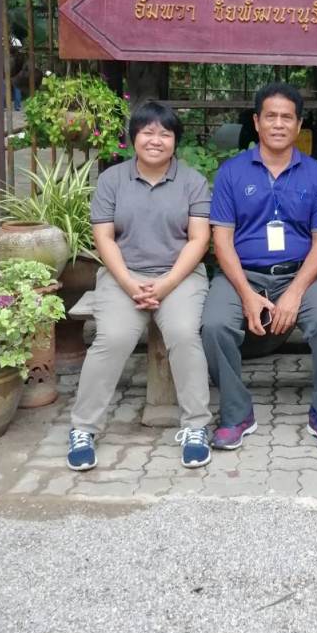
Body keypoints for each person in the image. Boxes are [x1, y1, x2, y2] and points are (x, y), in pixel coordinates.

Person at [67, 100, 213, 472]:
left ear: (175, 141)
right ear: (133, 137)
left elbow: (198, 240)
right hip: (123, 276)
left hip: (179, 277)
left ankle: (196, 427)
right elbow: (104, 239)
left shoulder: (192, 182)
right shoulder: (112, 180)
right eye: (147, 132)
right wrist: (130, 283)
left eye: (165, 134)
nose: (156, 140)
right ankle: (83, 428)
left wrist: (165, 284)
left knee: (183, 333)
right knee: (113, 338)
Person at [201, 82, 317, 452]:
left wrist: (295, 293)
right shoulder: (231, 172)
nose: (278, 124)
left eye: (287, 117)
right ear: (256, 122)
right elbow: (221, 241)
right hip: (241, 274)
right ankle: (236, 413)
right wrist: (247, 295)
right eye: (271, 116)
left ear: (298, 125)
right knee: (214, 325)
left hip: (298, 274)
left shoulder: (316, 174)